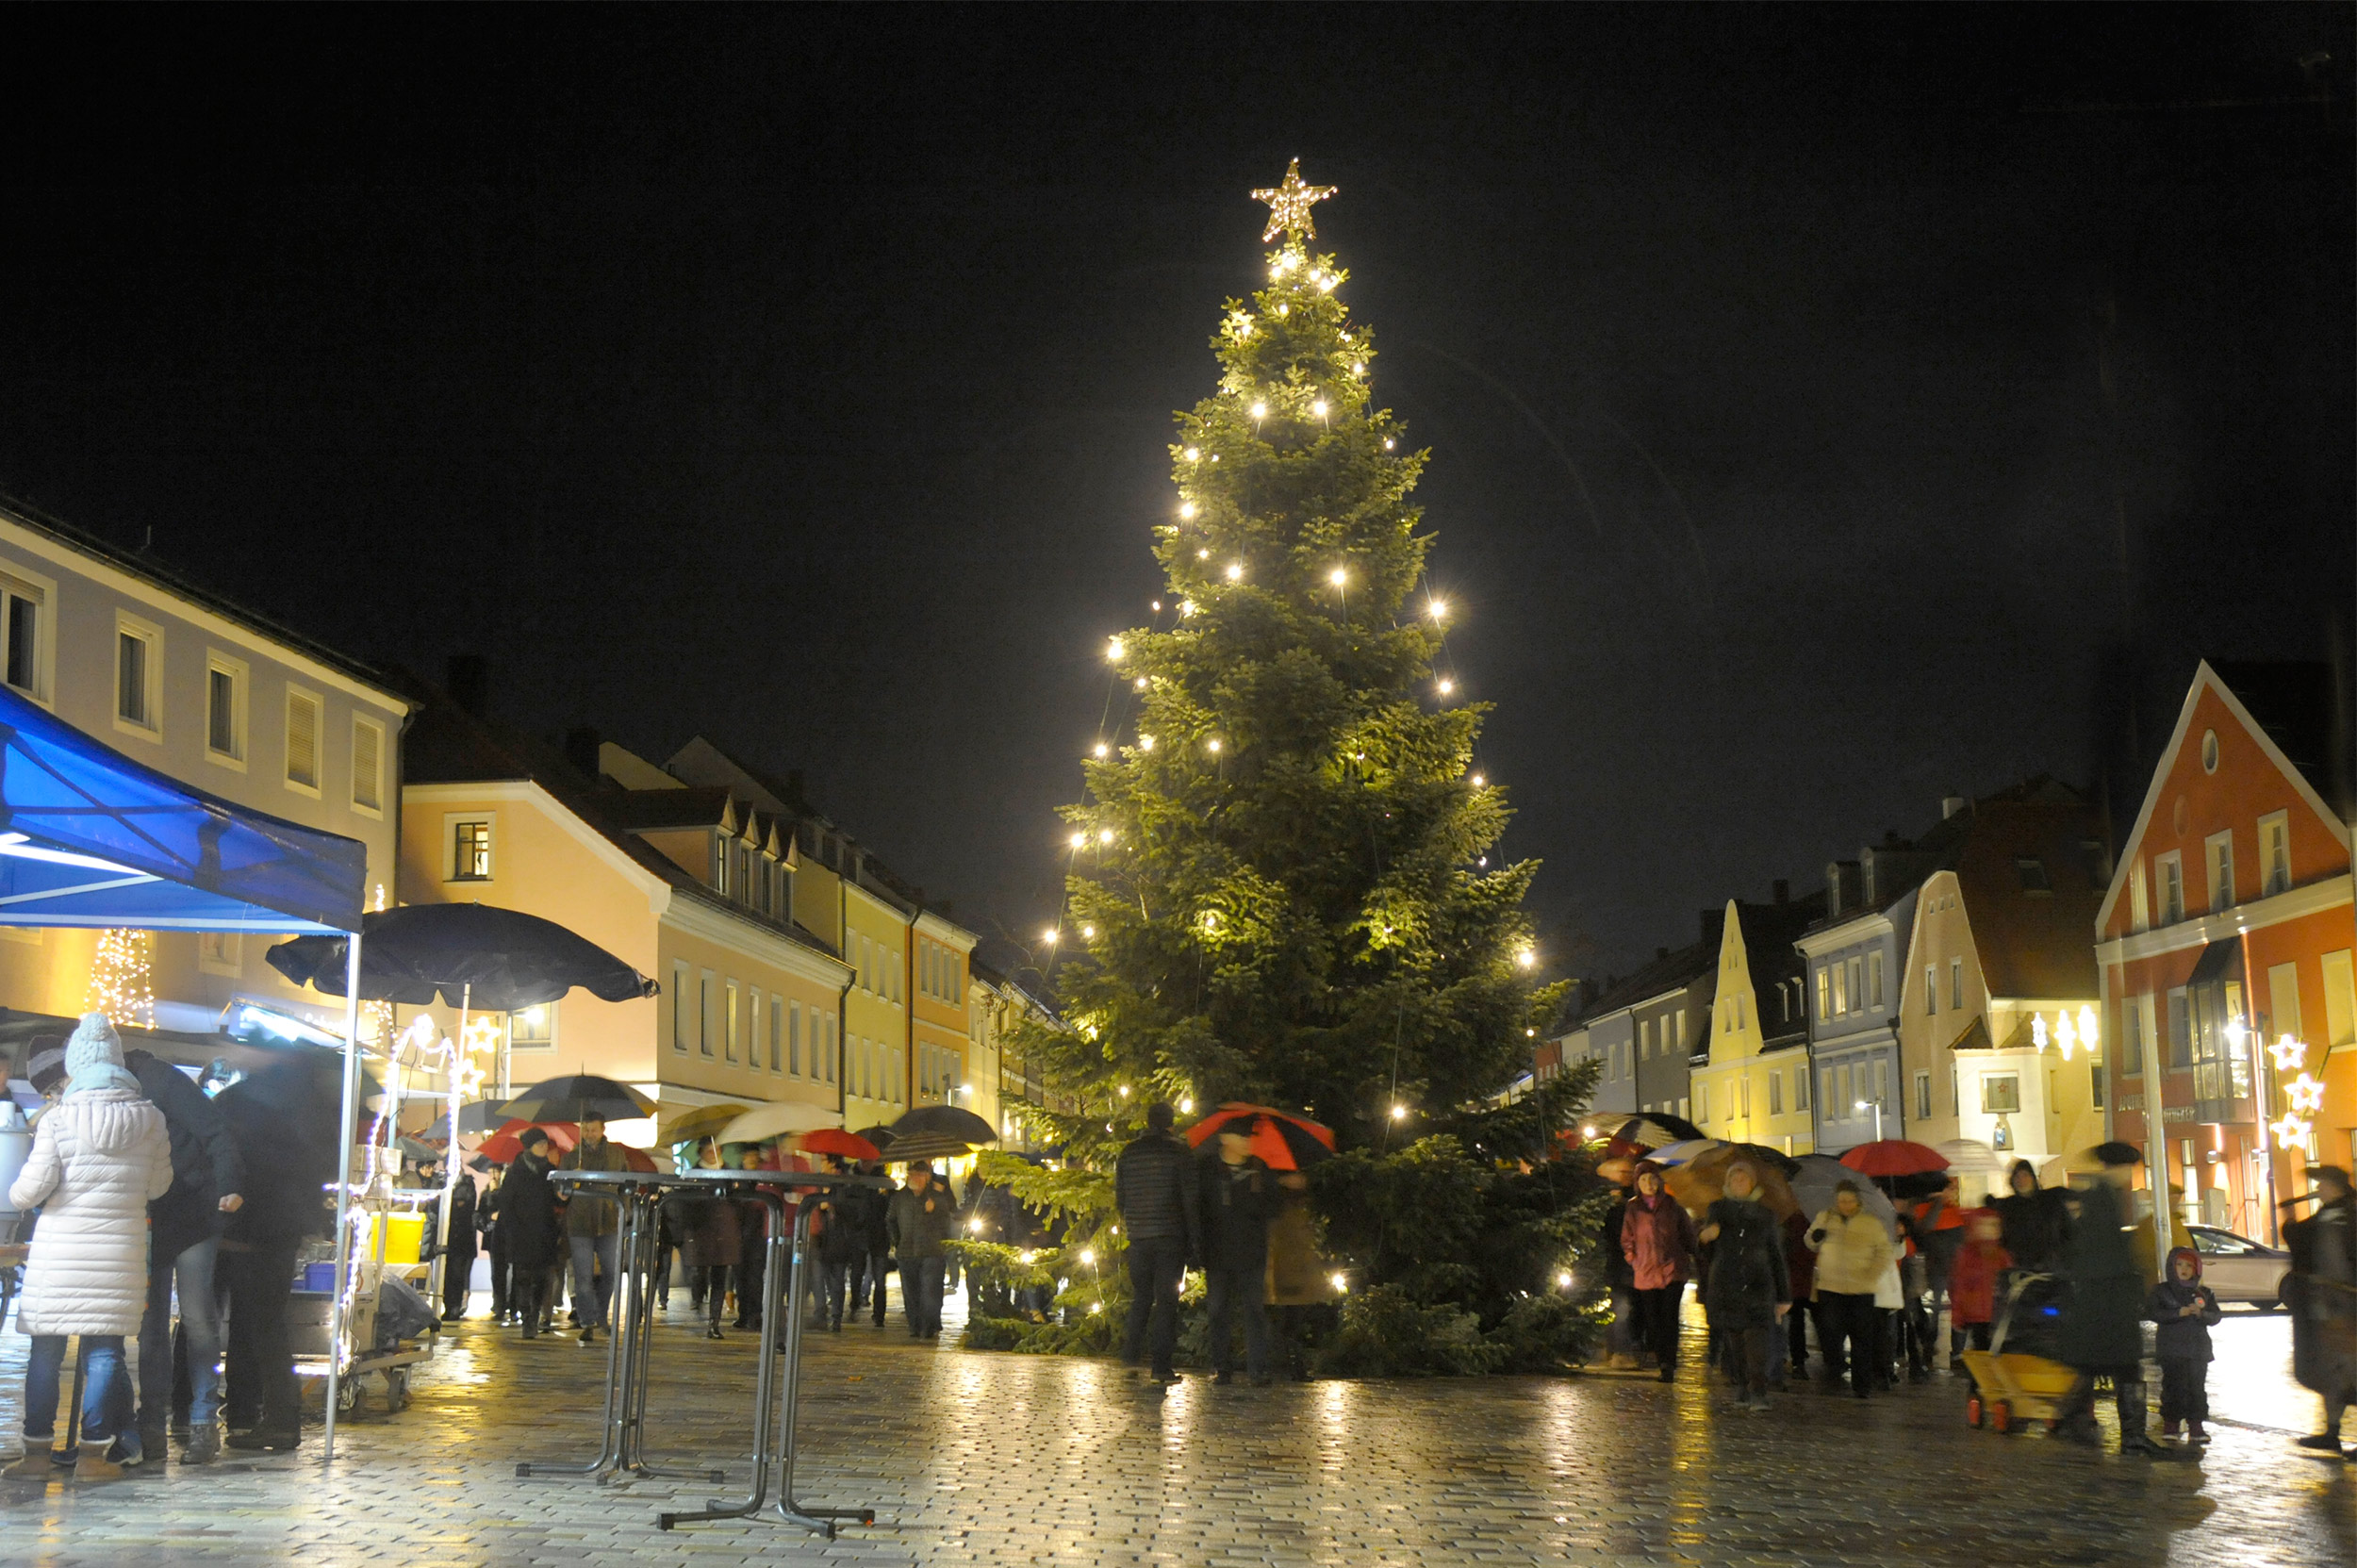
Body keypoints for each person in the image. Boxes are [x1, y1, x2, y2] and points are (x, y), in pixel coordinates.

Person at [3, 1014, 171, 1484]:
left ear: (76, 1066)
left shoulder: (59, 1118)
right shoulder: (151, 1118)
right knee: (104, 1355)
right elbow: (159, 1186)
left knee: (45, 1354)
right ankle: (94, 1459)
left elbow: (27, 1193)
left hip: (59, 1257)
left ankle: (37, 1456)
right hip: (119, 1257)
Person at [120, 1046, 243, 1465]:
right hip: (150, 1216)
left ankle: (203, 1423)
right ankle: (152, 1425)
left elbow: (214, 1130)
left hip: (192, 1211)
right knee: (154, 1325)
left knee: (194, 1319)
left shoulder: (160, 1080)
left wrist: (229, 1183)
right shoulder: (118, 1089)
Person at [214, 1055, 338, 1452]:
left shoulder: (243, 1105)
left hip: (246, 1228)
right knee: (265, 1325)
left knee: (255, 1328)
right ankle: (255, 1417)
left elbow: (228, 1161)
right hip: (283, 1232)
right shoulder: (311, 1111)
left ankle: (263, 1418)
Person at [2052, 1145, 2167, 1455]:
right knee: (2125, 1368)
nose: (2128, 1175)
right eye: (2126, 1169)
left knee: (2093, 1368)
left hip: (2099, 1305)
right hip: (2107, 1306)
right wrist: (2132, 1284)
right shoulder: (2103, 1202)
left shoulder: (2099, 1199)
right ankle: (2129, 1436)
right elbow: (2104, 1258)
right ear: (2115, 1168)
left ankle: (2068, 1422)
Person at [1114, 1101, 1200, 1385]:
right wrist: (1194, 1241)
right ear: (1171, 1123)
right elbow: (1189, 1200)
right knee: (1166, 1303)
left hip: (1138, 1237)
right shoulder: (1179, 1152)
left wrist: (1135, 1222)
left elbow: (1120, 1200)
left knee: (1141, 1297)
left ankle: (1130, 1355)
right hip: (1169, 1237)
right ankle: (1161, 1367)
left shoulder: (1128, 1153)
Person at [1695, 1160, 1788, 1411]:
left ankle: (1758, 1391)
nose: (1739, 1183)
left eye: (1743, 1179)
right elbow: (1704, 1253)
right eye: (1734, 1179)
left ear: (1752, 1183)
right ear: (1727, 1183)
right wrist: (1705, 1239)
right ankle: (1742, 1388)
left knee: (1757, 1344)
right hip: (1726, 1286)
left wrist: (1784, 1296)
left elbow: (1776, 1255)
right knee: (1735, 1344)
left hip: (1759, 1287)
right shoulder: (1717, 1209)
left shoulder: (1766, 1214)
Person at [2282, 1164, 2356, 1458]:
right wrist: (2290, 1224)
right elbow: (2303, 1242)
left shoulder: (2345, 1216)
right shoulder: (2330, 1215)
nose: (2317, 1189)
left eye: (2321, 1183)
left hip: (2348, 1308)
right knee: (2335, 1372)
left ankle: (2333, 1432)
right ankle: (2332, 1433)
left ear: (2333, 1185)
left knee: (2351, 1370)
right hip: (2330, 1307)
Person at [1199, 1130, 1276, 1385]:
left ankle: (1257, 1370)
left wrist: (1261, 1196)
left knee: (1254, 1310)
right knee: (1218, 1311)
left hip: (1251, 1254)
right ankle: (1222, 1368)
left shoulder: (1259, 1169)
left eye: (1250, 1137)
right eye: (1242, 1137)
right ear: (1226, 1139)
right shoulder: (1210, 1169)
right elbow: (1200, 1208)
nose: (1247, 1142)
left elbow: (1273, 1207)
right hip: (1218, 1254)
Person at [1806, 1180, 1893, 1398]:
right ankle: (1833, 1375)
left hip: (1861, 1289)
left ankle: (1861, 1384)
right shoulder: (1825, 1218)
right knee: (1831, 1334)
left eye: (1849, 1200)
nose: (1845, 1204)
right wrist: (1815, 1237)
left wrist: (1871, 1275)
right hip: (1830, 1287)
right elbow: (1810, 1240)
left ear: (1857, 1201)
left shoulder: (1870, 1223)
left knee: (1862, 1338)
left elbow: (1883, 1252)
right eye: (1841, 1200)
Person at [1620, 1161, 1696, 1383]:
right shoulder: (1633, 1208)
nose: (1649, 1184)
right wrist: (1633, 1259)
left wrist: (1690, 1253)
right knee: (1653, 1320)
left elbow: (1686, 1234)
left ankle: (1668, 1364)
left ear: (1659, 1181)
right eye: (1644, 1179)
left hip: (1673, 1270)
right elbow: (1627, 1238)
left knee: (1669, 1317)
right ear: (1637, 1183)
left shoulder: (1673, 1205)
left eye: (1652, 1178)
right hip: (1646, 1271)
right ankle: (1661, 1356)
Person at [559, 1114, 629, 1346]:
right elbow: (560, 1192)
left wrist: (623, 1212)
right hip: (580, 1222)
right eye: (586, 1130)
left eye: (593, 1130)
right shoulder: (571, 1158)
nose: (589, 1134)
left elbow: (626, 1185)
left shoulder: (616, 1154)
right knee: (583, 1276)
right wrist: (572, 1181)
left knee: (611, 1272)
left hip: (608, 1219)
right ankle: (588, 1321)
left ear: (602, 1130)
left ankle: (601, 1316)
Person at [663, 1141, 742, 1339]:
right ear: (701, 1153)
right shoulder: (694, 1174)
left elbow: (738, 1202)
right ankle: (697, 1298)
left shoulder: (730, 1173)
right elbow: (686, 1205)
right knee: (700, 1271)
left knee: (720, 1277)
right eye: (709, 1151)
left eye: (716, 1150)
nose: (714, 1154)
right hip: (702, 1231)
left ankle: (713, 1323)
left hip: (724, 1231)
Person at [2146, 1245, 2220, 1444]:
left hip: (2198, 1351)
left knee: (2196, 1388)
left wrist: (2201, 1314)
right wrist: (2178, 1313)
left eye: (2189, 1265)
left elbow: (2216, 1316)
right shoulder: (2162, 1291)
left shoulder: (2204, 1293)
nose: (2184, 1269)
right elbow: (2153, 1312)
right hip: (2172, 1350)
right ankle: (2171, 1423)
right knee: (2173, 1387)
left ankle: (2196, 1425)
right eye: (2179, 1264)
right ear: (2172, 1267)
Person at [496, 1129, 564, 1340]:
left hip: (545, 1233)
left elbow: (558, 1201)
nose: (545, 1147)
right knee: (523, 1277)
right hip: (521, 1233)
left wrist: (564, 1197)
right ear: (530, 1146)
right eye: (540, 1143)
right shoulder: (515, 1172)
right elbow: (506, 1204)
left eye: (545, 1143)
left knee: (542, 1278)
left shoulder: (551, 1171)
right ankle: (527, 1317)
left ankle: (534, 1316)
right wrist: (510, 1231)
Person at [887, 1164, 956, 1339]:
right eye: (911, 1175)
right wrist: (896, 1241)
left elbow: (946, 1223)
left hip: (932, 1252)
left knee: (930, 1291)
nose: (914, 1179)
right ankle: (914, 1326)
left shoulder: (937, 1198)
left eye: (919, 1175)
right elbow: (891, 1220)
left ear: (927, 1177)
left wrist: (934, 1211)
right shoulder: (900, 1197)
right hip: (907, 1252)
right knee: (911, 1293)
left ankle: (928, 1326)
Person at [813, 1156, 866, 1330]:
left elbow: (855, 1214)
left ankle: (836, 1318)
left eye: (824, 1162)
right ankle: (822, 1315)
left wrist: (833, 1204)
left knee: (837, 1282)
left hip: (839, 1242)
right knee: (822, 1280)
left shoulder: (846, 1188)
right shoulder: (817, 1185)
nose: (822, 1166)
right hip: (821, 1240)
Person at [1947, 1208, 2009, 1356]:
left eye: (1993, 1225)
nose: (1988, 1230)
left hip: (1997, 1314)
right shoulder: (1966, 1254)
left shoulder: (2001, 1254)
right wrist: (1958, 1315)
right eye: (1984, 1225)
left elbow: (2010, 1283)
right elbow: (1958, 1285)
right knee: (1981, 1353)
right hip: (1976, 1315)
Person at [1992, 1158, 2070, 1273]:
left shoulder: (2049, 1201)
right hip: (2018, 1268)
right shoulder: (2008, 1207)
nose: (2021, 1180)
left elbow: (2066, 1232)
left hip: (2049, 1267)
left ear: (2033, 1178)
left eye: (2025, 1175)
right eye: (2017, 1177)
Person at [1599, 1163, 1640, 1369]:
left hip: (1636, 1266)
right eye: (1623, 1172)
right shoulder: (1611, 1202)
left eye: (1629, 1172)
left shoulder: (1639, 1202)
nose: (1626, 1175)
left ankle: (1623, 1350)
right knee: (1621, 1309)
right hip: (1619, 1267)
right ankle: (1619, 1352)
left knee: (1629, 1310)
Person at [428, 1163, 479, 1322]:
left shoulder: (468, 1184)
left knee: (457, 1274)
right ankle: (448, 1306)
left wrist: (450, 1204)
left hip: (462, 1239)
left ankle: (454, 1307)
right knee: (446, 1275)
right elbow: (435, 1204)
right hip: (446, 1237)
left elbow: (466, 1206)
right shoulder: (441, 1182)